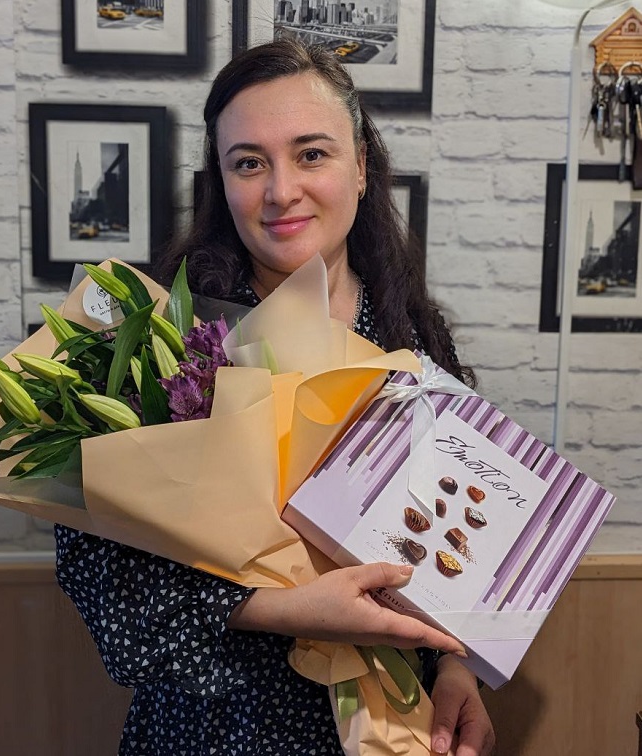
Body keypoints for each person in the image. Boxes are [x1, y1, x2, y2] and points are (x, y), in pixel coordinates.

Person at [55, 38, 495, 756]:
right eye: (249, 163)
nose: (280, 190)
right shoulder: (169, 342)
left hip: (391, 723)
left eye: (311, 154)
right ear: (221, 183)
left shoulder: (412, 338)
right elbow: (105, 582)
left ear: (361, 166)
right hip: (217, 727)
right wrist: (281, 608)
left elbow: (462, 539)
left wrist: (456, 667)